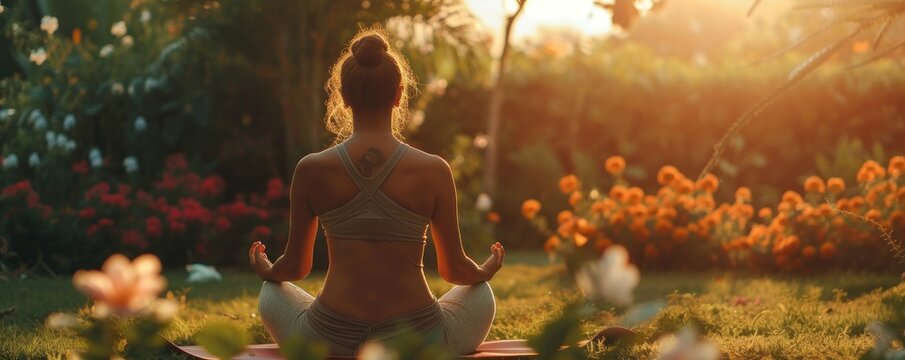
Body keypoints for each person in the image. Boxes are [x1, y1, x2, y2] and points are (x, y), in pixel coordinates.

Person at [248, 29, 505, 356]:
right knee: (480, 293)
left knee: (272, 292)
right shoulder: (433, 169)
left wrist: (267, 270)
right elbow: (454, 270)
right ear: (399, 95)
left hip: (329, 339)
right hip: (418, 339)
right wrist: (486, 270)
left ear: (343, 96)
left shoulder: (311, 168)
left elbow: (296, 267)